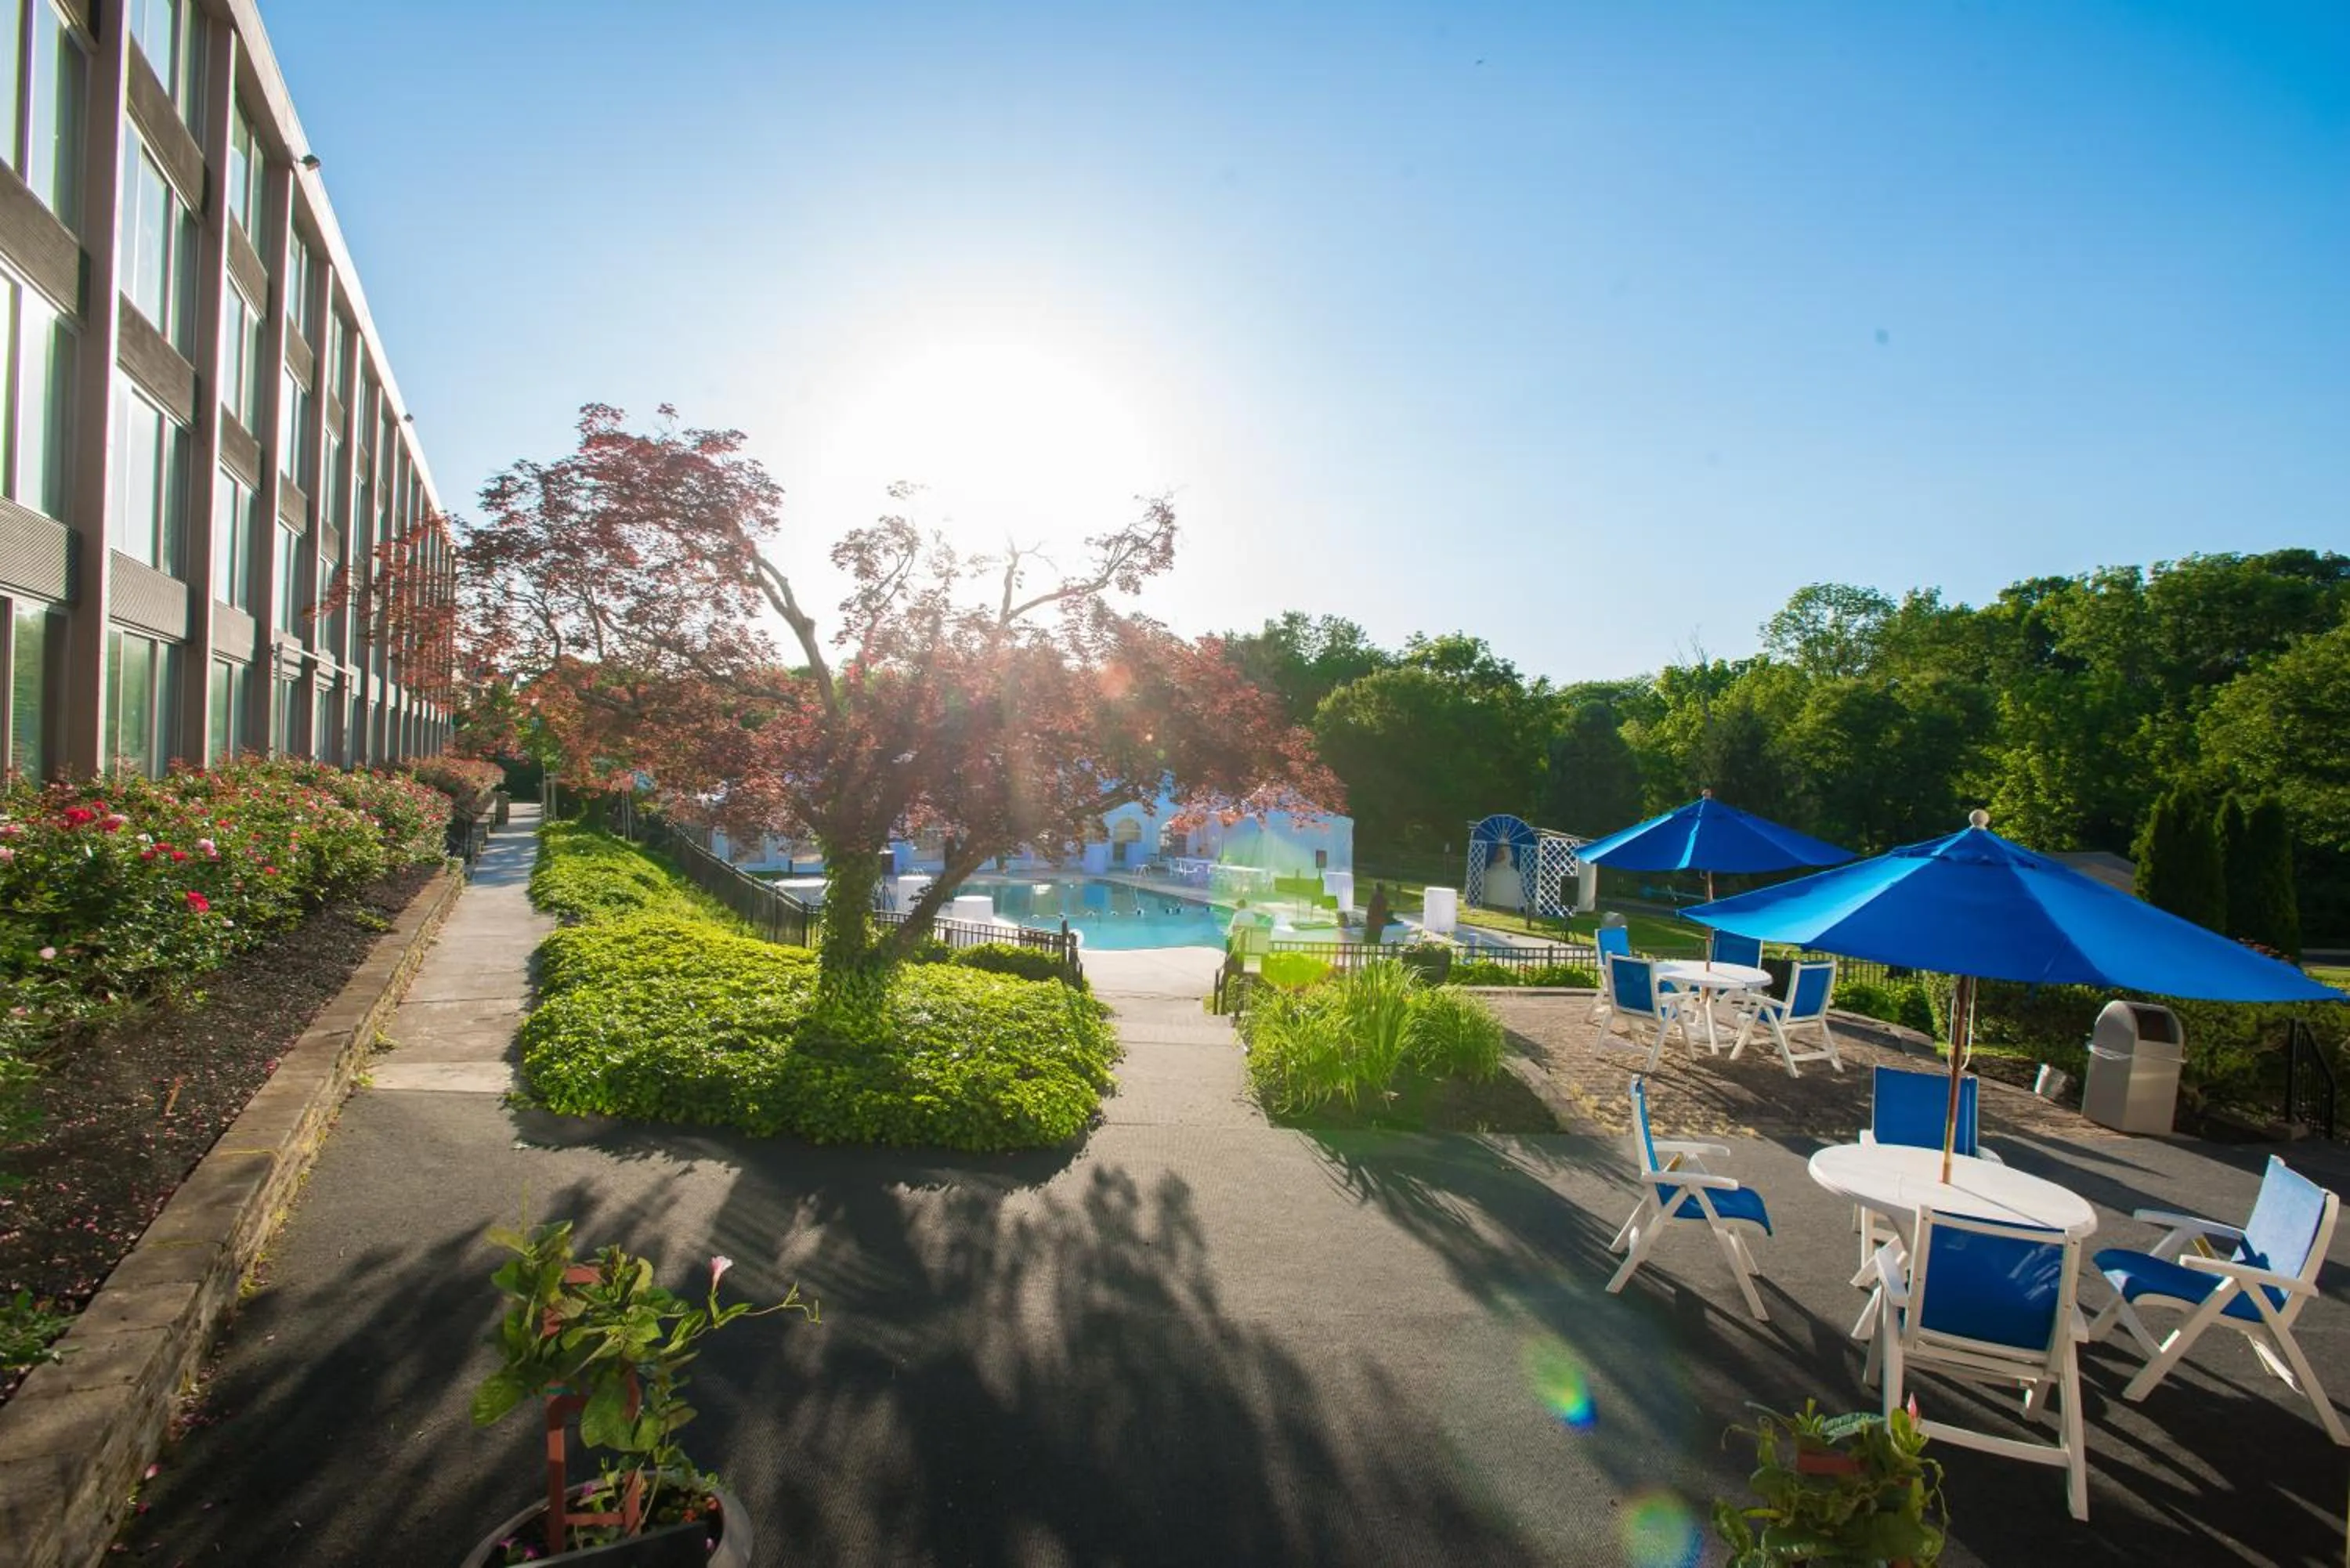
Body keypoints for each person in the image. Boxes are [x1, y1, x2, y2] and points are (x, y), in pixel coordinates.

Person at [1363, 882, 1391, 947]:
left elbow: (1372, 910)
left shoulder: (1375, 898)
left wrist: (1368, 918)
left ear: (1377, 888)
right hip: (1380, 923)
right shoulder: (1384, 899)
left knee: (1369, 940)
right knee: (1376, 939)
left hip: (1373, 922)